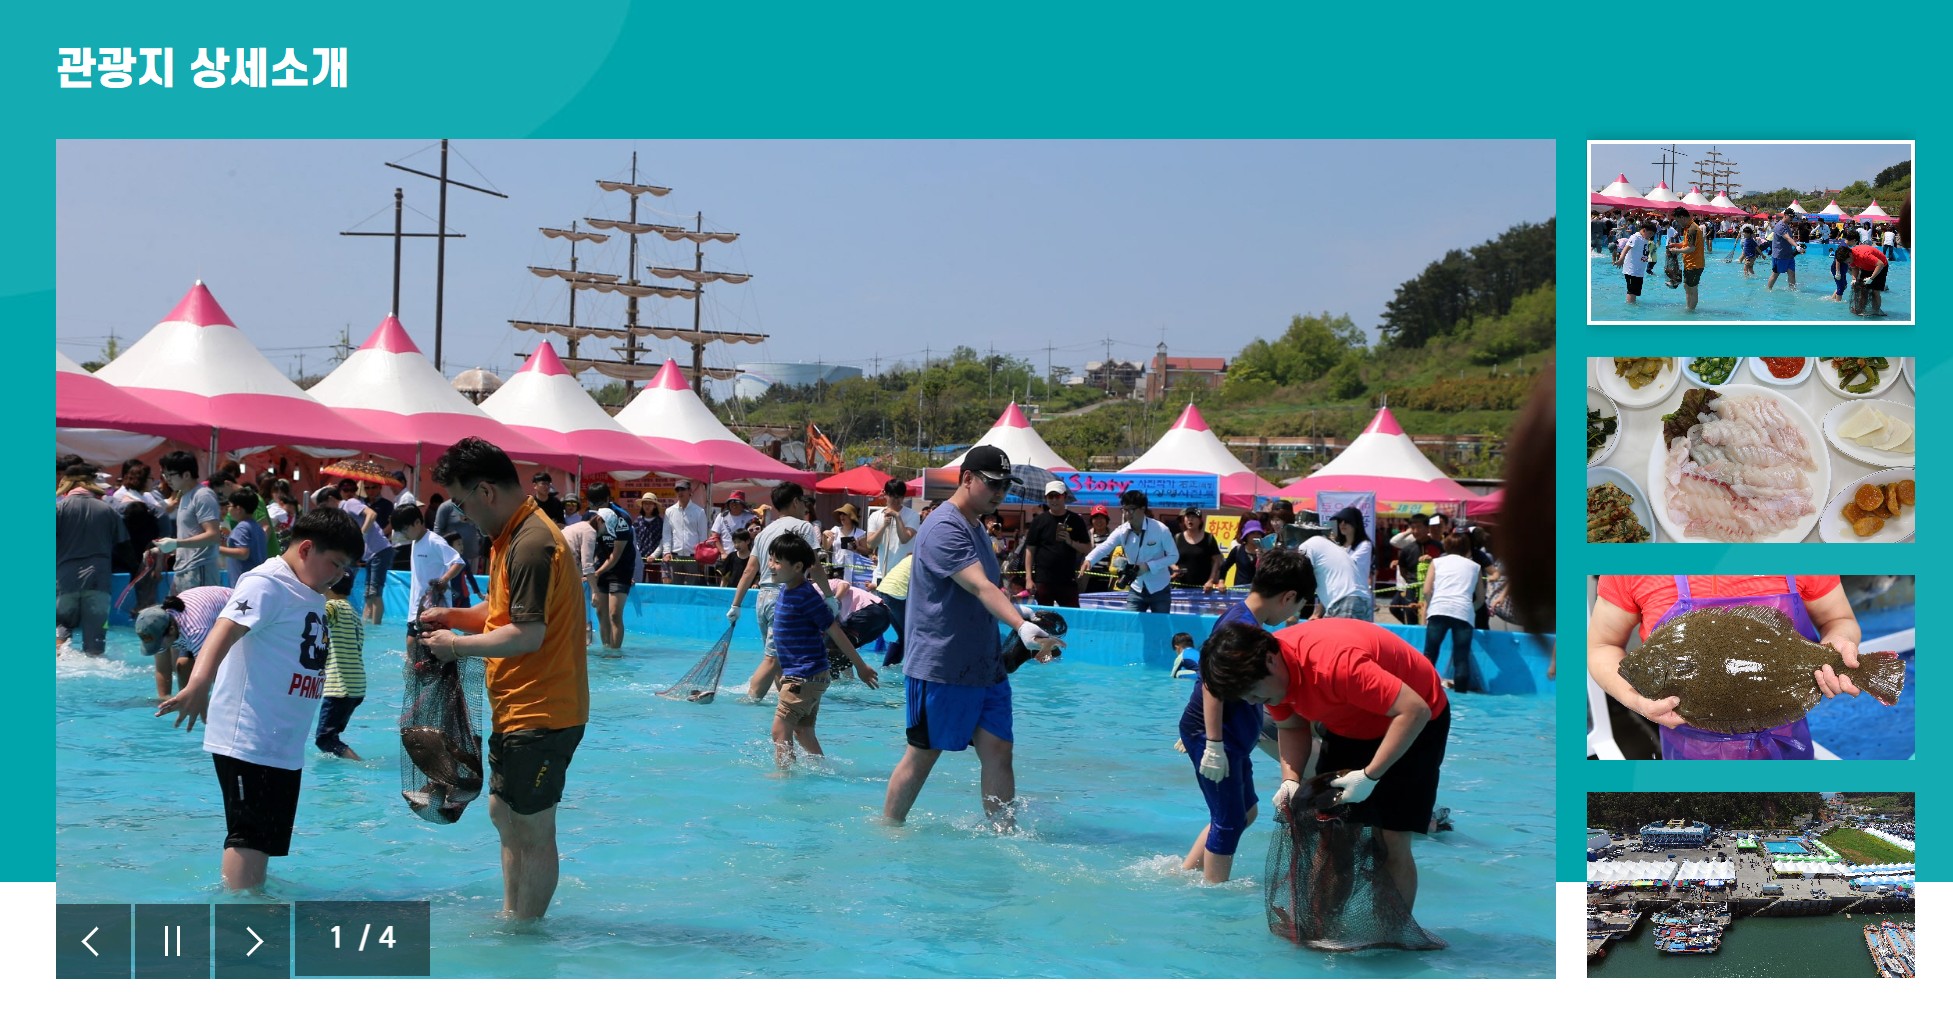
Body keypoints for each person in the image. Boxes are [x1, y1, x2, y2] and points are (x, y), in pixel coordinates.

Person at [415, 437, 591, 920]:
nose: (461, 513)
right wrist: (453, 616)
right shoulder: (511, 536)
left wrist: (455, 646)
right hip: (519, 709)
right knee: (504, 814)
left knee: (531, 827)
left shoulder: (532, 542)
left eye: (460, 501)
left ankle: (525, 934)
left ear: (486, 491)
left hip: (544, 710)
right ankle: (514, 916)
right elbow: (501, 613)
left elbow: (527, 634)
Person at [155, 506, 364, 892]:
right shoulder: (266, 583)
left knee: (264, 838)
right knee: (248, 835)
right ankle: (240, 918)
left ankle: (251, 895)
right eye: (334, 564)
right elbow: (225, 628)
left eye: (344, 569)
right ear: (305, 549)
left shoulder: (309, 590)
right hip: (247, 737)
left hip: (281, 741)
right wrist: (200, 682)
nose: (338, 576)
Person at [1200, 618, 1450, 912]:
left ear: (1271, 660)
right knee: (1329, 832)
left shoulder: (1335, 664)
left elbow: (1414, 710)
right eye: (1248, 698)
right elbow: (1292, 726)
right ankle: (1322, 925)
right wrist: (1289, 780)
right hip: (1349, 724)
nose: (1255, 701)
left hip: (1417, 722)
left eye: (1254, 693)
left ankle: (1392, 933)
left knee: (1392, 838)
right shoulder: (1268, 680)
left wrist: (1370, 776)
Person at [881, 445, 1064, 830]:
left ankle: (1003, 833)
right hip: (941, 667)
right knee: (923, 755)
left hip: (985, 665)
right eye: (993, 484)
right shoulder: (944, 527)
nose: (1000, 493)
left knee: (999, 750)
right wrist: (1020, 626)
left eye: (1004, 486)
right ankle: (889, 829)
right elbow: (980, 587)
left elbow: (990, 589)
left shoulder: (977, 525)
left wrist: (1021, 611)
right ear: (967, 479)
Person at [1587, 576, 1879, 760]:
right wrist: (1634, 700)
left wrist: (1840, 643)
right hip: (1690, 754)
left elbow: (1839, 620)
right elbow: (1601, 647)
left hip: (1788, 742)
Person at [1179, 548, 1313, 883]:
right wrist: (1211, 743)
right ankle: (1214, 895)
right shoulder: (1241, 626)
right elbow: (1211, 684)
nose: (1294, 615)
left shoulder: (1246, 619)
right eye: (1298, 607)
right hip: (1216, 737)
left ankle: (1185, 873)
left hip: (1232, 737)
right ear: (1289, 596)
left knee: (1245, 812)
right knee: (1228, 820)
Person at [763, 533, 880, 768]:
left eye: (777, 561)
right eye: (771, 559)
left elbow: (835, 631)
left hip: (804, 676)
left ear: (797, 567)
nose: (770, 565)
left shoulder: (807, 596)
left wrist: (860, 666)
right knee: (803, 732)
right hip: (808, 674)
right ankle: (822, 771)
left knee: (779, 730)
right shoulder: (789, 589)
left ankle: (785, 778)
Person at [729, 482, 835, 701]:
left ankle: (784, 701)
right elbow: (814, 565)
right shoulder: (803, 527)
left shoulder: (763, 532)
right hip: (785, 597)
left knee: (779, 657)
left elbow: (750, 570)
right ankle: (749, 701)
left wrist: (736, 604)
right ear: (796, 502)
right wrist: (830, 596)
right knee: (773, 659)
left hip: (763, 597)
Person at [55, 468, 126, 656]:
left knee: (60, 628)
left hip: (65, 580)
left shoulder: (58, 509)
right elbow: (123, 547)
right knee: (96, 640)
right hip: (99, 581)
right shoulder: (108, 510)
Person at [1080, 488, 1180, 613]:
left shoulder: (1160, 529)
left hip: (1160, 587)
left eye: (1131, 509)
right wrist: (1089, 559)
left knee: (1160, 627)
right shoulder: (1122, 531)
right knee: (1131, 626)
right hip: (1136, 587)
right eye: (1124, 510)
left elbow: (1173, 556)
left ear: (1143, 509)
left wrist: (1149, 566)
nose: (1127, 514)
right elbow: (1106, 546)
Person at [136, 587, 233, 700]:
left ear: (171, 630)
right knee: (183, 667)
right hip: (202, 613)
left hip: (235, 612)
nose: (158, 648)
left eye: (159, 644)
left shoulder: (195, 631)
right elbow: (162, 669)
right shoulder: (161, 626)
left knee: (219, 682)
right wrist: (164, 700)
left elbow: (211, 673)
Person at [155, 450, 225, 592]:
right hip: (184, 570)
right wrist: (167, 548)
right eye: (165, 475)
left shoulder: (202, 495)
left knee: (200, 614)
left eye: (170, 475)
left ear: (186, 475)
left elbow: (213, 535)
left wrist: (176, 543)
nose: (167, 479)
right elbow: (191, 535)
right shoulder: (185, 495)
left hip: (200, 569)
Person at [1421, 532, 1482, 691]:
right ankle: (1461, 695)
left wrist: (1432, 605)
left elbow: (1427, 590)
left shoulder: (1437, 562)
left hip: (1438, 609)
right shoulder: (1475, 567)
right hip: (1463, 612)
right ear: (1467, 548)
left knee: (1430, 654)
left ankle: (1423, 689)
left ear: (1446, 546)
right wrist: (1470, 610)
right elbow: (1481, 599)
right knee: (1461, 658)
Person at [315, 573, 366, 761]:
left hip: (339, 686)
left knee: (325, 740)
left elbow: (315, 619)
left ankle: (360, 764)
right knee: (332, 737)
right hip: (356, 686)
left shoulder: (332, 607)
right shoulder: (352, 611)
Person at [1019, 480, 1092, 608]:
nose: (1054, 500)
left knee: (1072, 618)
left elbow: (1087, 548)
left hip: (1067, 579)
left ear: (1064, 496)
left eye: (1057, 496)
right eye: (1050, 496)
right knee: (1043, 618)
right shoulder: (1038, 521)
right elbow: (1030, 550)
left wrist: (1070, 541)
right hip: (1043, 580)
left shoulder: (1076, 520)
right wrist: (1028, 578)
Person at [582, 483, 635, 652]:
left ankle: (615, 654)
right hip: (599, 566)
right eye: (592, 505)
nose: (596, 509)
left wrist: (595, 573)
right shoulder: (588, 517)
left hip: (621, 569)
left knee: (614, 613)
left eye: (600, 504)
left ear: (608, 499)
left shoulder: (622, 518)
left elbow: (616, 555)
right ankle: (606, 649)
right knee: (600, 613)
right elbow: (586, 548)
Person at [110, 460, 164, 616]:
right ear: (141, 480)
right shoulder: (130, 501)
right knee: (144, 600)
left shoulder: (143, 498)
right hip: (136, 554)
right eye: (150, 478)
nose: (153, 481)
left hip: (134, 554)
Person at [394, 504, 464, 618]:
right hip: (416, 611)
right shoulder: (414, 542)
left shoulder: (434, 541)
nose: (403, 534)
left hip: (435, 610)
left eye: (405, 529)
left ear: (417, 523)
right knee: (411, 636)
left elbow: (458, 562)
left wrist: (443, 580)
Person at [342, 480, 394, 625]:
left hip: (380, 549)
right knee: (368, 594)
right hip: (372, 552)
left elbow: (373, 515)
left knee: (374, 593)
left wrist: (362, 533)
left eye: (351, 489)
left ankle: (376, 628)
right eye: (367, 488)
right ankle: (365, 625)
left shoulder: (352, 503)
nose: (370, 490)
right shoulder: (357, 503)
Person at [865, 478, 920, 586]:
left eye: (899, 497)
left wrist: (897, 516)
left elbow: (904, 539)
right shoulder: (875, 516)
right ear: (885, 494)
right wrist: (884, 526)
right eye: (893, 496)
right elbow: (870, 544)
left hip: (904, 574)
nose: (896, 500)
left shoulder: (913, 515)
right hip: (882, 574)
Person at [1325, 506, 1374, 619]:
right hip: (1336, 596)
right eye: (1339, 521)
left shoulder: (1365, 545)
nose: (1342, 524)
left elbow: (1347, 564)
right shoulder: (1338, 546)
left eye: (1346, 521)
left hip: (1354, 595)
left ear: (1355, 523)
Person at [658, 479, 709, 585]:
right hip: (675, 555)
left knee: (692, 588)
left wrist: (702, 557)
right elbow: (666, 534)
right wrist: (666, 552)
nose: (680, 492)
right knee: (676, 588)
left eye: (683, 489)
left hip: (693, 556)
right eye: (677, 490)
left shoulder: (699, 511)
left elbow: (703, 536)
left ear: (690, 491)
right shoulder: (669, 511)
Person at [217, 488, 266, 587]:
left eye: (230, 506)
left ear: (238, 509)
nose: (228, 509)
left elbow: (243, 553)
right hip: (257, 581)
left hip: (243, 583)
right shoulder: (257, 527)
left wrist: (214, 548)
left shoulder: (242, 528)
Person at [1170, 506, 1225, 592]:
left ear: (1200, 521)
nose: (1190, 519)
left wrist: (1210, 580)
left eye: (1194, 517)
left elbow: (1216, 561)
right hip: (1181, 588)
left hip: (1204, 588)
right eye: (1188, 517)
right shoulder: (1177, 538)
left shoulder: (1208, 538)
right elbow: (1168, 557)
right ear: (1184, 520)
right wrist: (1175, 568)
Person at [875, 552, 914, 666]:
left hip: (883, 591)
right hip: (896, 595)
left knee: (903, 636)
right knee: (911, 636)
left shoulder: (912, 556)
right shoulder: (926, 557)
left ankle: (888, 667)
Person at [1836, 243, 1890, 317]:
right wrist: (1854, 279)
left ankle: (1876, 311)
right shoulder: (1850, 258)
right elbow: (1855, 268)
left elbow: (1880, 264)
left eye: (1847, 261)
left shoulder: (1864, 255)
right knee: (1862, 290)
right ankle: (1861, 309)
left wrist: (1871, 278)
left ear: (1850, 254)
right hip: (1866, 267)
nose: (1847, 263)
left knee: (1875, 291)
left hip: (1881, 267)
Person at [1668, 208, 1706, 312]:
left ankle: (1691, 312)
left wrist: (1677, 251)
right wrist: (1676, 245)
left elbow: (1691, 248)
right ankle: (1688, 308)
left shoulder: (1692, 229)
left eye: (1678, 220)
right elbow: (1686, 244)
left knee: (1692, 289)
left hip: (1695, 264)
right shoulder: (1688, 227)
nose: (1678, 223)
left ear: (1682, 218)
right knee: (1687, 286)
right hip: (1689, 264)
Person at [1216, 520, 1262, 588]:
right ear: (1246, 535)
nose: (1256, 536)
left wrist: (1262, 557)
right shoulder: (1237, 550)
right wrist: (1221, 582)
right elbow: (1224, 567)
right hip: (1239, 591)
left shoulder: (1266, 551)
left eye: (1258, 533)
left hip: (1259, 591)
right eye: (1252, 533)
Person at [1620, 219, 1655, 304]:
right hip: (1631, 270)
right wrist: (1621, 259)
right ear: (1644, 230)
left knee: (1635, 291)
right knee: (1631, 291)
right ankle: (1630, 309)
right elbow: (1626, 248)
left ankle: (1633, 305)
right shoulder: (1635, 237)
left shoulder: (1645, 238)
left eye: (1652, 234)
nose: (1650, 236)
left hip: (1639, 271)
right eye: (1650, 233)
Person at [1766, 212, 1804, 291]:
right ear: (1785, 215)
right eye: (1790, 217)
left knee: (1792, 274)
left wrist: (1797, 245)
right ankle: (1768, 289)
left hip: (1788, 255)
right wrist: (1796, 246)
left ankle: (1792, 291)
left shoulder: (1787, 225)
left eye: (1793, 217)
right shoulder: (1780, 226)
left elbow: (1790, 239)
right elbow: (1787, 238)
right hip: (1779, 255)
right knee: (1775, 274)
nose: (1792, 219)